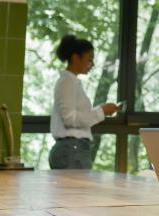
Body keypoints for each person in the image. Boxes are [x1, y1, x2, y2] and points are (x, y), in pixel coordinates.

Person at [50, 34, 118, 169]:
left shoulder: (72, 82)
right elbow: (70, 119)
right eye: (89, 60)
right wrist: (101, 112)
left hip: (74, 149)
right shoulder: (67, 82)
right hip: (72, 150)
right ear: (75, 58)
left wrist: (100, 110)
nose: (92, 65)